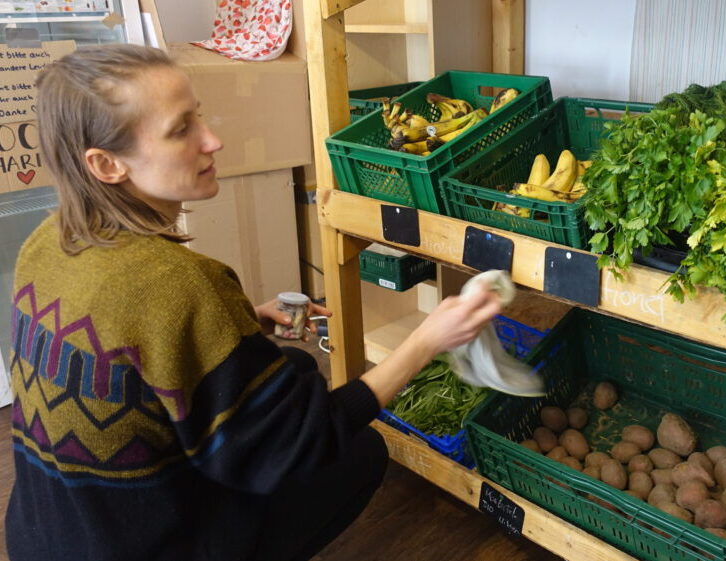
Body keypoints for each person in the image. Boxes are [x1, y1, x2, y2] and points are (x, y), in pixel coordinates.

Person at [5, 44, 504, 561]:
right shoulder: (181, 284)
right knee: (359, 450)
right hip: (147, 545)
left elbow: (131, 359)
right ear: (106, 163)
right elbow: (305, 445)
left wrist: (241, 323)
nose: (213, 140)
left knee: (289, 364)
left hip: (46, 535)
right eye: (181, 130)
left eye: (199, 116)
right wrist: (425, 342)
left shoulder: (44, 244)